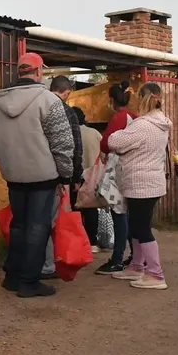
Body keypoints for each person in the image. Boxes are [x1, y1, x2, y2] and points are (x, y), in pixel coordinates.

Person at [0, 53, 74, 298]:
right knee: (38, 227)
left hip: (13, 175)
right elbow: (62, 143)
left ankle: (12, 277)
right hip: (43, 175)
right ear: (38, 72)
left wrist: (6, 164)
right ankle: (30, 281)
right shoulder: (49, 101)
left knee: (19, 225)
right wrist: (65, 176)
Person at [108, 82, 171, 290]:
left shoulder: (142, 124)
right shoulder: (161, 123)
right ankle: (137, 266)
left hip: (140, 182)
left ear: (142, 99)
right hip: (151, 181)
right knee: (138, 226)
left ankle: (155, 273)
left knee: (141, 228)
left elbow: (114, 141)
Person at [41, 75, 83, 279]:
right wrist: (72, 177)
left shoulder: (39, 106)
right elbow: (73, 147)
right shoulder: (66, 111)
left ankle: (39, 262)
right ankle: (51, 263)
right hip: (58, 176)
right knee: (53, 221)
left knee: (36, 221)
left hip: (37, 172)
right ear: (66, 92)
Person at [95, 80, 137, 275]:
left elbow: (105, 143)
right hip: (133, 170)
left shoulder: (119, 117)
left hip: (118, 171)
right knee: (129, 216)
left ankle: (117, 258)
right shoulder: (135, 117)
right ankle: (136, 256)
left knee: (119, 215)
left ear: (112, 100)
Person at [73, 106, 103, 251]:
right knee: (91, 209)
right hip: (93, 176)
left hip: (75, 176)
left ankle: (77, 241)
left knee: (75, 209)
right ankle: (92, 242)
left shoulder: (71, 132)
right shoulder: (95, 133)